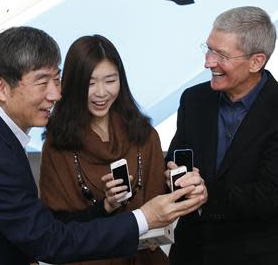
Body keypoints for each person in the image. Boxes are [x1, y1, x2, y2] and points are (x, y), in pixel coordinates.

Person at [0, 26, 207, 265]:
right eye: (42, 83)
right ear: (1, 87)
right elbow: (49, 241)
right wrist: (144, 217)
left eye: (57, 78)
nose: (55, 94)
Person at [166, 6, 278, 265]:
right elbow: (177, 159)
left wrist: (206, 193)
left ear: (256, 61)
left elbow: (270, 195)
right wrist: (172, 175)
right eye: (208, 48)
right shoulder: (194, 100)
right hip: (191, 254)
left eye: (221, 54)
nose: (208, 62)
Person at [40, 34, 191, 265]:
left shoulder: (144, 135)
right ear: (73, 85)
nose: (101, 93)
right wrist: (105, 206)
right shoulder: (57, 145)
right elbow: (56, 228)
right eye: (90, 83)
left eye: (110, 80)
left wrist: (182, 187)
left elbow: (162, 210)